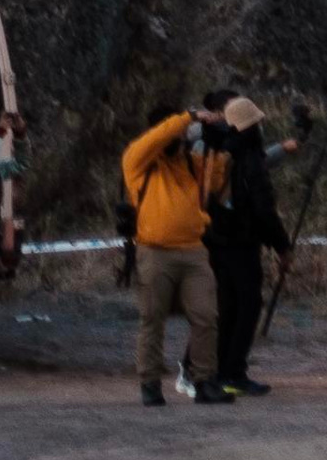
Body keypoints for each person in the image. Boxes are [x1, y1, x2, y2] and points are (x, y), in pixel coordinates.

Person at [121, 103, 233, 407]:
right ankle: (150, 382)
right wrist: (189, 117)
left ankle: (205, 380)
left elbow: (215, 184)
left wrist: (216, 149)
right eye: (176, 132)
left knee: (206, 316)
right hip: (154, 251)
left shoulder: (190, 163)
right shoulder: (138, 160)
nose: (180, 138)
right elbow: (157, 138)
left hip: (194, 251)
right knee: (152, 319)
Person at [204, 96, 291, 397]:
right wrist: (282, 246)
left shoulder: (219, 153)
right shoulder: (251, 159)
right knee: (249, 305)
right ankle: (234, 372)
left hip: (216, 241)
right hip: (242, 242)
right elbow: (263, 208)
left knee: (227, 307)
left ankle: (220, 371)